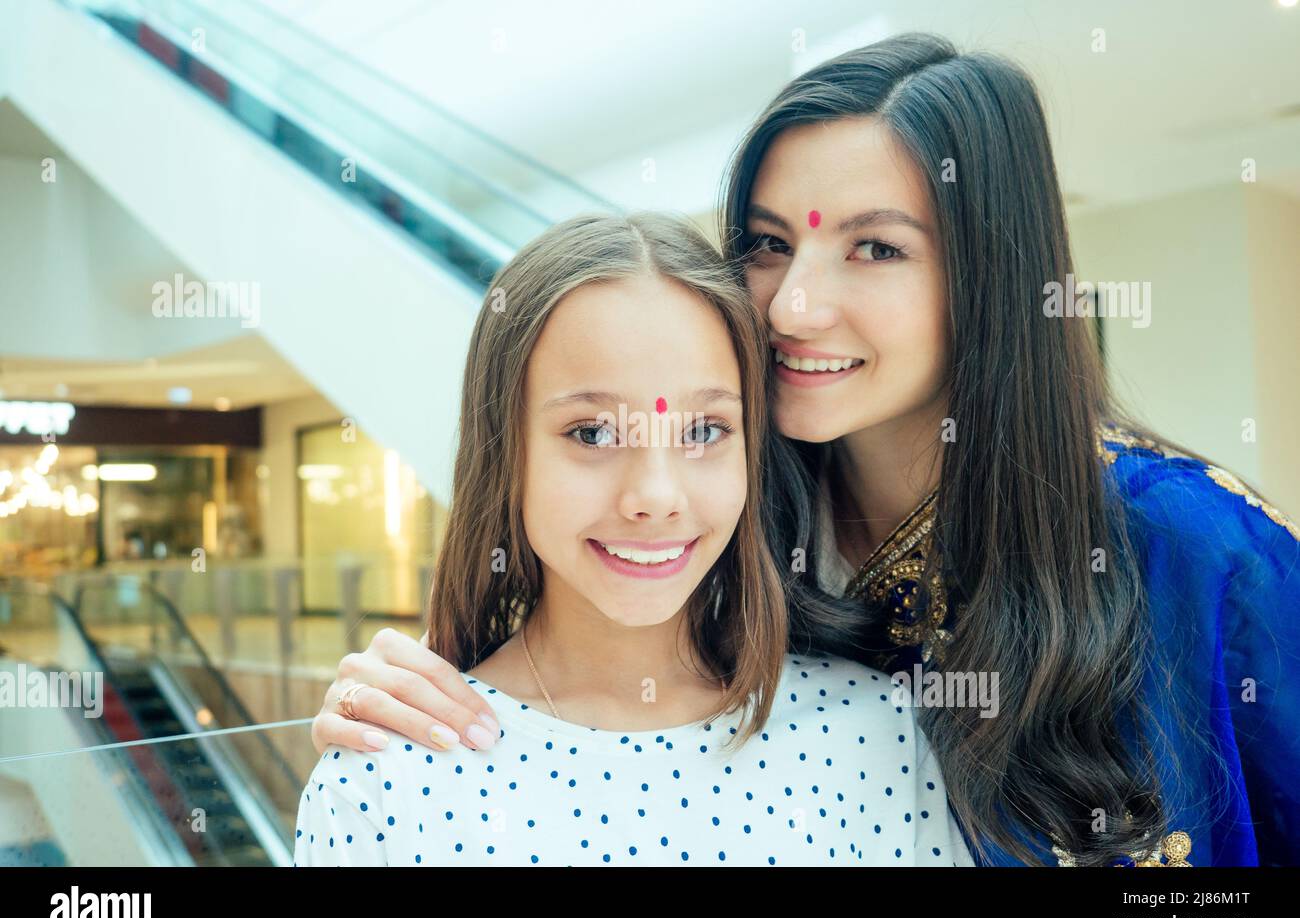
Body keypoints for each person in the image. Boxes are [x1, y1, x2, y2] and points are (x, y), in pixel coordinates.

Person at [310, 35, 1300, 866]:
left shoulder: (1187, 545)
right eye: (767, 242)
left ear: (989, 273)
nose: (792, 304)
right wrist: (404, 692)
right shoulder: (742, 502)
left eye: (874, 248)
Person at [294, 211, 973, 866]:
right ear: (508, 453)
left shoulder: (873, 733)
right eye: (593, 433)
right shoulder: (383, 776)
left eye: (703, 431)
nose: (655, 495)